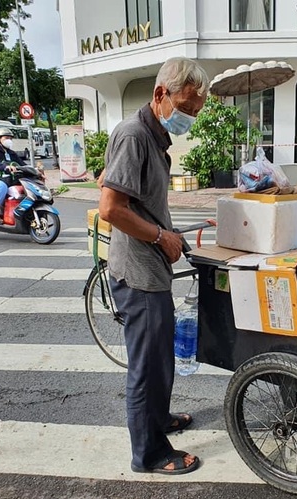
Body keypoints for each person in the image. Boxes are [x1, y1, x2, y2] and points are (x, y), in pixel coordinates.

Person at [98, 57, 209, 475]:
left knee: (160, 358)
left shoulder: (153, 135)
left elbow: (135, 197)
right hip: (139, 274)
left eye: (196, 112)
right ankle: (149, 454)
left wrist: (172, 229)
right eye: (188, 108)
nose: (190, 118)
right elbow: (110, 207)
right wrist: (162, 237)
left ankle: (159, 421)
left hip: (152, 267)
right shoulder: (133, 134)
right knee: (147, 368)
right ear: (161, 94)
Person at [0, 127, 25, 223]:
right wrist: (5, 167)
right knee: (1, 187)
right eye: (6, 138)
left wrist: (35, 171)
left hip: (8, 180)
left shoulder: (11, 153)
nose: (9, 140)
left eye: (10, 138)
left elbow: (22, 164)